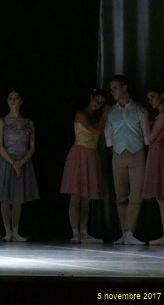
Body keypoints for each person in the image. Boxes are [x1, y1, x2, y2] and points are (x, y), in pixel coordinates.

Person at [104, 74, 150, 245]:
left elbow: (146, 137)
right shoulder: (111, 112)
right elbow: (108, 136)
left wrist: (139, 150)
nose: (113, 92)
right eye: (111, 89)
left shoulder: (139, 109)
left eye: (115, 88)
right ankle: (124, 233)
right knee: (120, 196)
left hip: (137, 154)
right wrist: (115, 151)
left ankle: (130, 232)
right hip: (117, 155)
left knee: (136, 195)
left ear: (125, 88)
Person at [60, 89, 110, 244]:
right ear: (91, 97)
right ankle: (75, 232)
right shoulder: (81, 114)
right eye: (97, 99)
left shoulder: (96, 116)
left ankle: (84, 231)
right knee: (76, 196)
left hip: (91, 155)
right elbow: (95, 131)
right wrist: (105, 115)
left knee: (87, 197)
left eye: (101, 102)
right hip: (79, 154)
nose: (98, 103)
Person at [0, 91, 39, 242]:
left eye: (16, 98)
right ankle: (7, 231)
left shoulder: (28, 122)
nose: (13, 101)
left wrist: (22, 162)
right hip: (7, 160)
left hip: (23, 160)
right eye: (10, 98)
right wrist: (13, 163)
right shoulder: (2, 121)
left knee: (18, 197)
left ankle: (16, 231)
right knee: (5, 197)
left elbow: (32, 146)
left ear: (21, 101)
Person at [142, 86, 164, 245]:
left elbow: (150, 138)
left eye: (153, 96)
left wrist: (145, 118)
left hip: (159, 155)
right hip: (157, 154)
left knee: (161, 197)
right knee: (160, 197)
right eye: (149, 98)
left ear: (162, 96)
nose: (151, 101)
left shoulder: (162, 116)